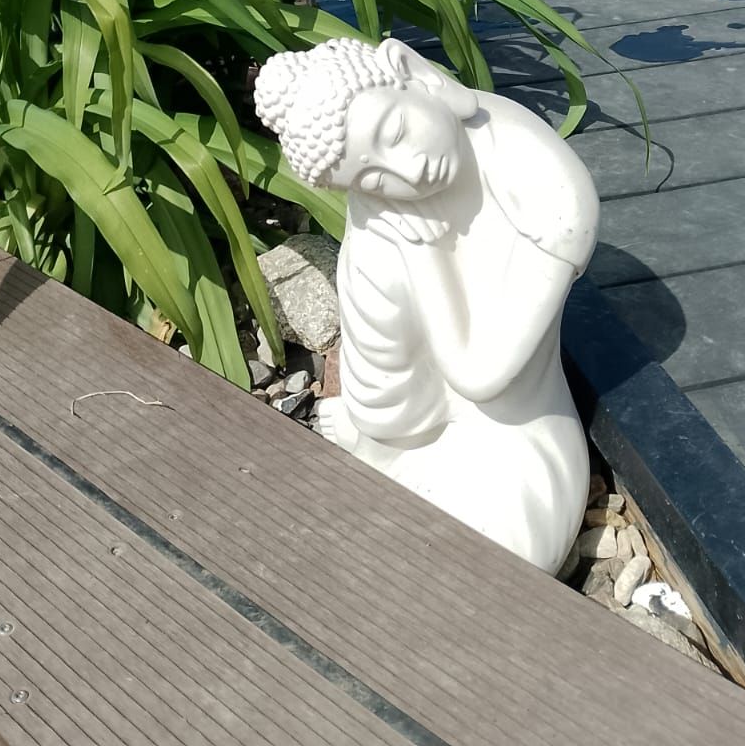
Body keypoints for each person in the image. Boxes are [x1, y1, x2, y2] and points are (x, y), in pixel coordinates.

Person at [254, 36, 599, 572]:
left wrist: (425, 257)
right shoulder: (392, 195)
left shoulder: (552, 193)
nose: (408, 173)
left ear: (415, 72)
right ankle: (379, 442)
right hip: (411, 414)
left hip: (511, 433)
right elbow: (378, 329)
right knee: (377, 249)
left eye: (395, 133)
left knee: (502, 558)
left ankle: (381, 450)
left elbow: (480, 376)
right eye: (371, 177)